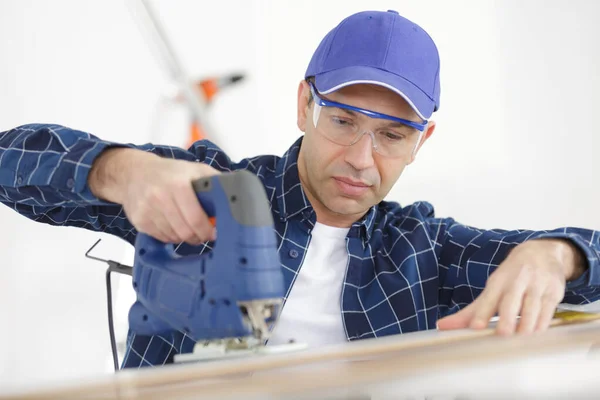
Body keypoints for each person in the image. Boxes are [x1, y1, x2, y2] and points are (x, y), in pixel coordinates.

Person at [1, 10, 599, 369]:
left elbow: (583, 257)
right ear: (304, 106)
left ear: (423, 141)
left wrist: (557, 254)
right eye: (342, 121)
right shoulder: (210, 195)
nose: (362, 159)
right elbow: (10, 158)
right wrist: (122, 171)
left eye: (393, 135)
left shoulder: (426, 252)